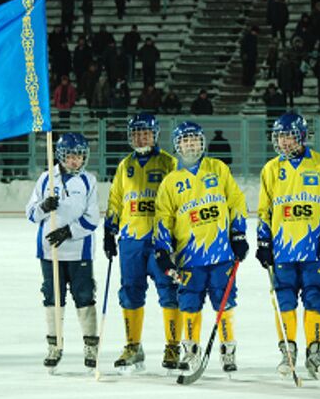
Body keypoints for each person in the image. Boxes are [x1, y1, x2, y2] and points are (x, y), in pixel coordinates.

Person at [154, 121, 248, 375]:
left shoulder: (217, 168)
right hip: (189, 256)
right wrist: (162, 250)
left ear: (202, 142)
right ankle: (191, 349)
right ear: (177, 146)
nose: (190, 144)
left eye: (194, 139)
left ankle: (228, 349)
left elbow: (236, 200)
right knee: (189, 303)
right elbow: (163, 218)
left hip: (221, 253)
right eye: (184, 141)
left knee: (224, 300)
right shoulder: (171, 181)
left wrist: (238, 234)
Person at [256, 112, 320, 380]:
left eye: (289, 136)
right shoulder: (271, 169)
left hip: (314, 248)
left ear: (302, 136)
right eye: (279, 136)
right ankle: (288, 351)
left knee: (316, 297)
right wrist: (263, 241)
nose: (283, 142)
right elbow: (264, 211)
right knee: (284, 299)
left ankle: (314, 353)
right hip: (282, 249)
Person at [104, 114, 181, 372]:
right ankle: (133, 345)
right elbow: (116, 199)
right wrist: (109, 229)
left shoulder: (169, 163)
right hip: (131, 240)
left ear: (155, 134)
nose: (140, 137)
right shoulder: (124, 166)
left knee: (168, 290)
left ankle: (173, 346)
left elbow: (178, 199)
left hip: (160, 241)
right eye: (136, 133)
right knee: (130, 291)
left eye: (145, 132)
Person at [25, 133, 100, 371]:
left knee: (85, 297)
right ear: (60, 156)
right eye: (70, 156)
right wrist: (44, 206)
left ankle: (90, 345)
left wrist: (68, 231)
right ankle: (54, 345)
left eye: (79, 156)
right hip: (51, 252)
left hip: (79, 252)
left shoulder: (89, 181)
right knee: (52, 298)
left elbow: (93, 218)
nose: (75, 161)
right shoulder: (47, 178)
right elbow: (30, 213)